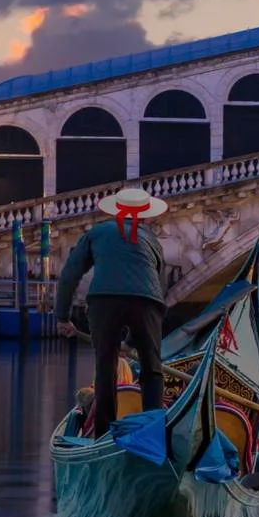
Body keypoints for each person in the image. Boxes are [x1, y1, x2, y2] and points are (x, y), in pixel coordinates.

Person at [53, 187, 169, 438]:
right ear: (145, 216)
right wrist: (132, 341)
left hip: (103, 302)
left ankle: (103, 434)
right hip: (147, 303)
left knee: (106, 367)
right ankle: (152, 434)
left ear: (115, 211)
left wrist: (62, 317)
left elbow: (69, 275)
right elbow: (160, 290)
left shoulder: (96, 233)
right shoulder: (152, 240)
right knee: (152, 369)